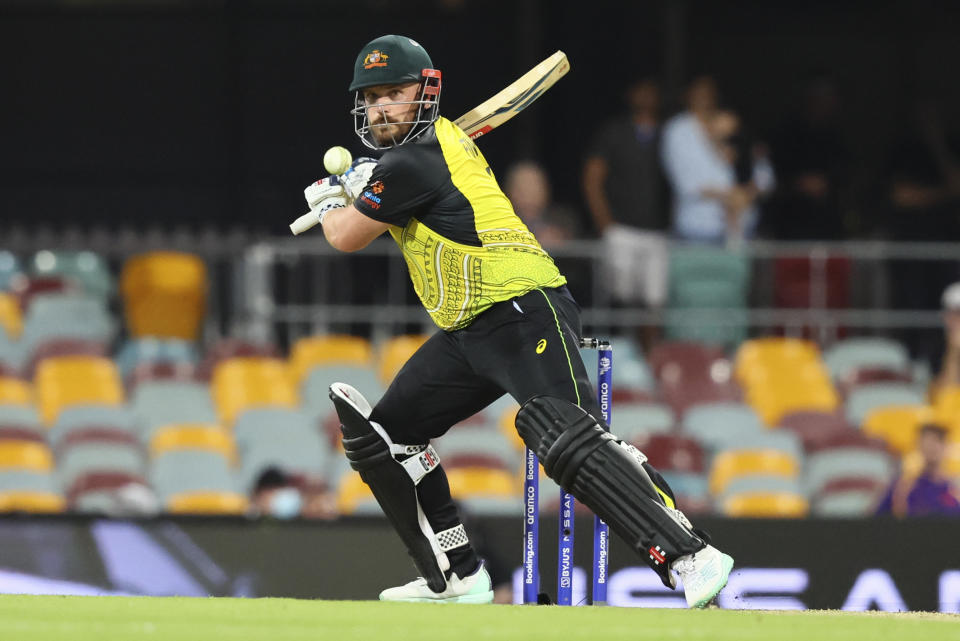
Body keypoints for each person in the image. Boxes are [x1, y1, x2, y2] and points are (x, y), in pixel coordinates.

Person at [301, 34, 734, 606]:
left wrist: (333, 199)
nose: (382, 107)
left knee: (566, 439)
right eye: (373, 96)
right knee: (388, 437)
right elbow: (382, 198)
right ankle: (456, 573)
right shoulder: (426, 149)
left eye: (394, 94)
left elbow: (347, 237)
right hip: (469, 330)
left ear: (423, 94)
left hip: (524, 307)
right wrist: (362, 184)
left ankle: (691, 556)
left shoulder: (412, 160)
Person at [582, 78, 669, 318]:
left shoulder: (668, 134)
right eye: (641, 91)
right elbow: (592, 179)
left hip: (658, 232)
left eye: (651, 91)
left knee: (654, 303)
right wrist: (606, 226)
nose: (646, 97)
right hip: (621, 230)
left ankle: (648, 356)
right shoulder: (614, 132)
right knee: (620, 300)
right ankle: (621, 354)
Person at [660, 76, 770, 246]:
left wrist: (748, 193)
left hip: (740, 233)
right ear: (687, 96)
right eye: (699, 93)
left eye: (709, 93)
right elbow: (687, 185)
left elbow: (765, 179)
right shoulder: (678, 130)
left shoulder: (739, 135)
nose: (704, 98)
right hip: (696, 231)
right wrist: (731, 195)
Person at [875, 423, 960, 517]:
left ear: (946, 446)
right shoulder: (902, 488)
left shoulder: (955, 489)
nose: (931, 447)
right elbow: (876, 521)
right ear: (918, 446)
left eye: (937, 440)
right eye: (925, 442)